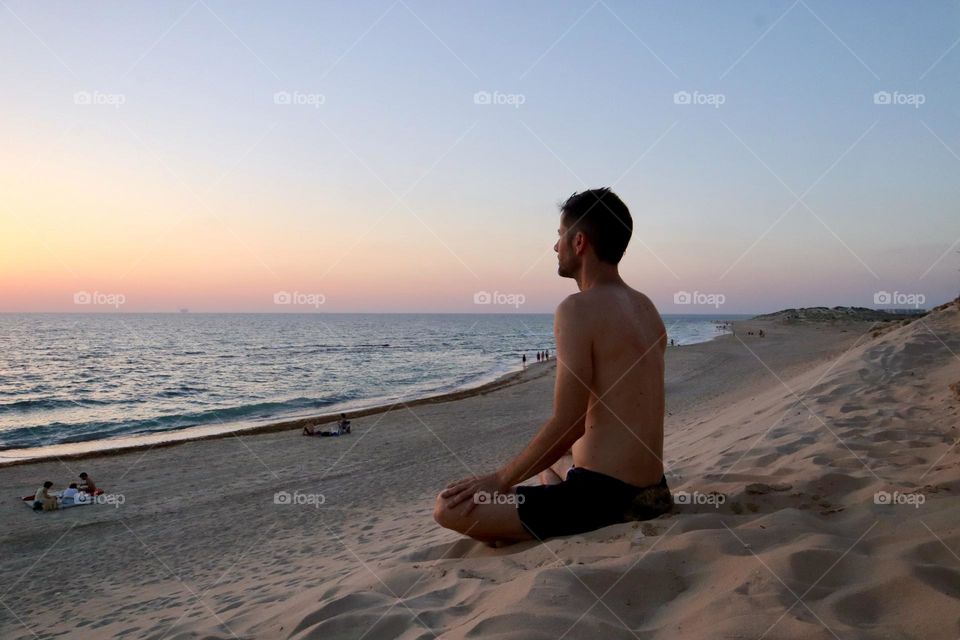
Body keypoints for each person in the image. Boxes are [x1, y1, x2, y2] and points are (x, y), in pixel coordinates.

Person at [435, 188, 673, 542]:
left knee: (447, 508)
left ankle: (543, 518)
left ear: (579, 242)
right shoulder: (646, 308)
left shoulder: (576, 309)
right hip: (655, 490)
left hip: (604, 499)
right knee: (550, 462)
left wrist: (498, 480)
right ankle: (547, 504)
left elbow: (570, 422)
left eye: (559, 236)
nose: (555, 247)